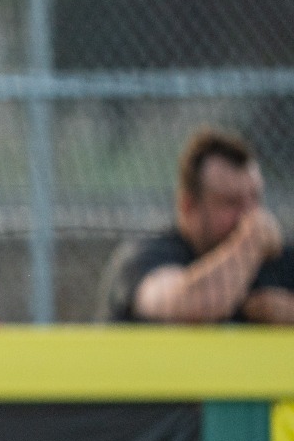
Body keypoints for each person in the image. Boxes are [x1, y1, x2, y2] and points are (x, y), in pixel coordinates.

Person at [101, 129, 294, 323]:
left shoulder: (274, 259)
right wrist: (252, 241)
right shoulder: (144, 259)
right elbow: (188, 305)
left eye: (255, 198)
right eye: (231, 203)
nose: (251, 216)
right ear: (188, 207)